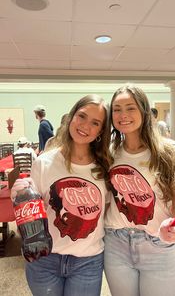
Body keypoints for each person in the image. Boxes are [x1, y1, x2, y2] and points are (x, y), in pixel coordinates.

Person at [13, 95, 112, 296]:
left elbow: (108, 211)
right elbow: (32, 210)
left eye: (95, 123)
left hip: (88, 261)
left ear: (101, 130)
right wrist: (20, 194)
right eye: (82, 116)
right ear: (71, 117)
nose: (85, 126)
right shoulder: (44, 163)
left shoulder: (106, 167)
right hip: (45, 259)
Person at [104, 85, 175, 296]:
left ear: (144, 111)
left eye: (130, 108)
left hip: (157, 243)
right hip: (115, 244)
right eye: (117, 109)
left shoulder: (170, 151)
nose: (123, 115)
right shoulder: (109, 153)